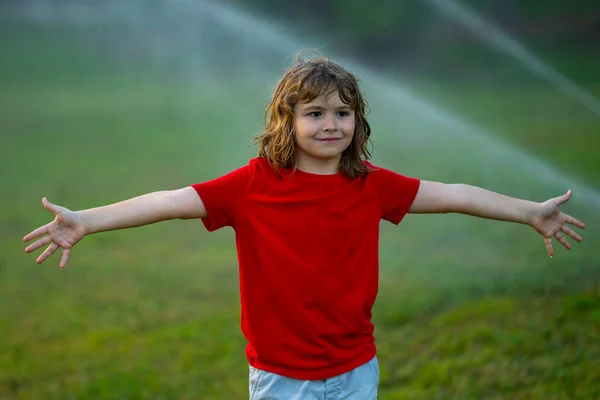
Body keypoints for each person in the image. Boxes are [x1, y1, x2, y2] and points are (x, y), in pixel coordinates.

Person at [23, 54, 585, 399]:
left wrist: (528, 211)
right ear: (286, 122)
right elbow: (170, 200)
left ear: (357, 121)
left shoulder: (372, 183)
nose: (330, 123)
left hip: (356, 365)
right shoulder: (252, 185)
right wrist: (88, 220)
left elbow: (455, 194)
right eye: (314, 113)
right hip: (280, 377)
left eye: (342, 112)